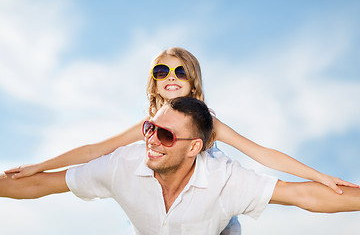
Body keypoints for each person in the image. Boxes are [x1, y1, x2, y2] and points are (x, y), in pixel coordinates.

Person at [1, 97, 360, 235]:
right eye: (150, 129)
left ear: (195, 148)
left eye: (167, 136)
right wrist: (35, 168)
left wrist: (322, 178)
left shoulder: (225, 180)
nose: (153, 140)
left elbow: (302, 196)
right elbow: (40, 185)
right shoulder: (121, 166)